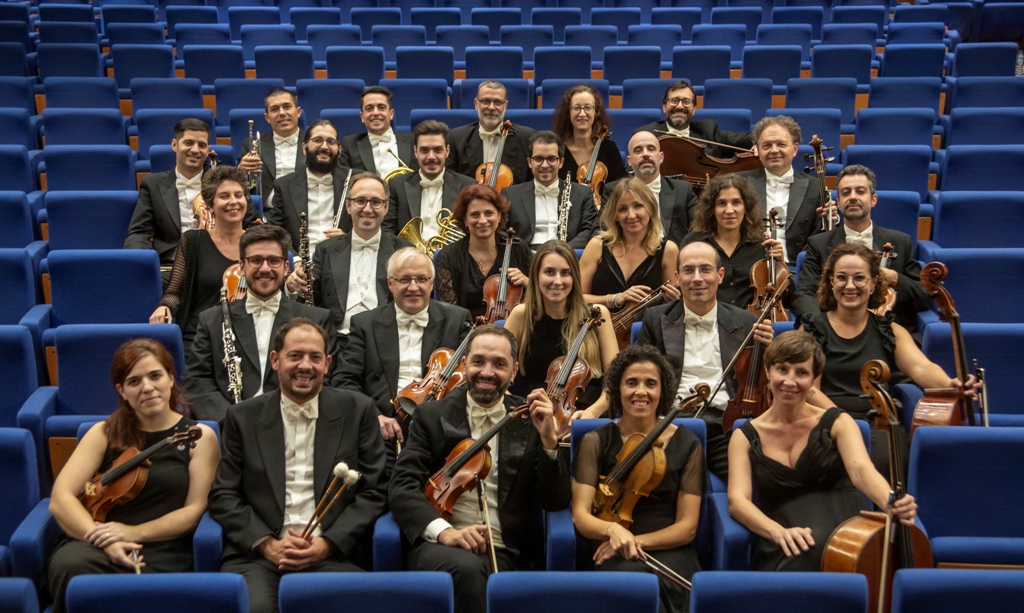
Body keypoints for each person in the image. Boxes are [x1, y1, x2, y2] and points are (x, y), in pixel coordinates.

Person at [208, 318, 388, 613]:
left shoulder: (358, 410)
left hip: (333, 554)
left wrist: (327, 543)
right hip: (258, 557)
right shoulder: (242, 416)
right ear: (275, 360)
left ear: (328, 363)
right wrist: (267, 544)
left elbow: (374, 492)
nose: (306, 366)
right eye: (295, 356)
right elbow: (223, 495)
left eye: (315, 357)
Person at [388, 324, 570, 613]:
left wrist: (549, 440)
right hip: (440, 546)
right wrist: (446, 532)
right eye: (478, 361)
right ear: (464, 364)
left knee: (478, 570)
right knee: (470, 571)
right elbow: (402, 487)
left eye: (499, 364)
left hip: (502, 550)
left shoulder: (531, 419)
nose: (487, 372)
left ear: (513, 371)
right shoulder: (431, 416)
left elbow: (555, 500)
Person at [46, 339, 220, 613]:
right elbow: (61, 498)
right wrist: (103, 538)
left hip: (162, 545)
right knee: (72, 565)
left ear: (171, 378)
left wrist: (131, 532)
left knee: (147, 589)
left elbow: (195, 510)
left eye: (155, 376)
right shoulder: (104, 433)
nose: (147, 387)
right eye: (134, 381)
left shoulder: (200, 437)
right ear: (122, 391)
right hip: (96, 541)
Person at [727, 331, 918, 572]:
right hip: (786, 533)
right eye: (782, 370)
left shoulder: (838, 422)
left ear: (815, 379)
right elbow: (737, 501)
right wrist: (777, 532)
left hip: (844, 525)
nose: (790, 381)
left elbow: (861, 470)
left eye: (802, 373)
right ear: (767, 371)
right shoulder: (744, 436)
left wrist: (890, 500)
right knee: (797, 554)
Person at [801, 243, 979, 475]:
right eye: (841, 277)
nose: (850, 285)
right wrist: (842, 421)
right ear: (831, 282)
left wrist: (951, 384)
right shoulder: (813, 328)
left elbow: (921, 367)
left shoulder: (889, 330)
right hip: (824, 417)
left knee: (888, 463)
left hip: (878, 419)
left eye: (860, 278)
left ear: (874, 283)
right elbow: (809, 390)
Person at [571, 344, 703, 613]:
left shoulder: (687, 443)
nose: (641, 391)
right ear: (618, 390)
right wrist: (612, 530)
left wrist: (635, 541)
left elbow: (687, 527)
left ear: (662, 391)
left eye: (650, 384)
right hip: (611, 547)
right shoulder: (595, 441)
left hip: (669, 549)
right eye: (631, 383)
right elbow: (581, 516)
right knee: (633, 595)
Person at [630, 242, 776, 484]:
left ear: (720, 275)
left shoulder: (748, 321)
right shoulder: (655, 318)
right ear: (677, 277)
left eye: (705, 269)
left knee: (758, 482)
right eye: (688, 270)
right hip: (673, 426)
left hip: (726, 428)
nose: (697, 278)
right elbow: (639, 374)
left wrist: (771, 352)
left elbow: (766, 383)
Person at [183, 224, 335, 423]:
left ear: (286, 267)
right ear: (241, 266)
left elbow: (327, 381)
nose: (265, 268)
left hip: (297, 424)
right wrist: (232, 421)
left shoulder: (316, 320)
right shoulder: (212, 320)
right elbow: (196, 381)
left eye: (273, 261)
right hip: (232, 430)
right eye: (255, 260)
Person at [332, 247, 473, 447]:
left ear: (432, 283)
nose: (413, 287)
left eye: (422, 279)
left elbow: (469, 380)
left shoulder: (457, 319)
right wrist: (375, 417)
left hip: (440, 427)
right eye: (404, 280)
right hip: (383, 428)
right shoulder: (364, 323)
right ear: (390, 283)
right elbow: (344, 380)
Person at [792, 164, 928, 333]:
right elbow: (805, 294)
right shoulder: (818, 244)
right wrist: (822, 326)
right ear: (839, 203)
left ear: (873, 200)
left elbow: (924, 296)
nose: (853, 197)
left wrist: (895, 278)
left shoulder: (900, 241)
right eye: (846, 192)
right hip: (834, 333)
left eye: (860, 191)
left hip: (888, 333)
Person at [124, 119, 259, 287]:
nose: (195, 150)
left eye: (202, 145)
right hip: (171, 268)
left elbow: (254, 226)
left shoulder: (225, 182)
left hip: (219, 265)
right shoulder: (152, 184)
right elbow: (139, 233)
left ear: (208, 149)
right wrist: (142, 264)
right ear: (174, 145)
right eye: (188, 143)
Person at [286, 172, 411, 350]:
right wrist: (293, 285)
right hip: (337, 343)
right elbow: (308, 299)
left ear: (386, 207)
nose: (367, 209)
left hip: (388, 343)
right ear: (348, 205)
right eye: (360, 201)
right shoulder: (326, 250)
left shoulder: (404, 251)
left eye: (376, 202)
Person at [504, 240, 619, 422]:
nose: (558, 281)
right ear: (536, 276)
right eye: (549, 272)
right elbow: (498, 374)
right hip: (535, 416)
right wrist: (521, 410)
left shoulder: (597, 315)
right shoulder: (521, 315)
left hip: (586, 417)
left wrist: (593, 412)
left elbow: (616, 381)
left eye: (565, 273)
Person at [150, 166, 249, 348]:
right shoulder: (193, 241)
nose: (233, 202)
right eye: (224, 196)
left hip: (246, 336)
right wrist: (164, 306)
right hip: (199, 336)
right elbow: (175, 291)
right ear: (210, 205)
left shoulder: (257, 243)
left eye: (238, 195)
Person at [580, 178, 680, 348]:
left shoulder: (668, 250)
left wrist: (674, 300)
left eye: (638, 206)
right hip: (594, 336)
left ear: (650, 208)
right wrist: (616, 299)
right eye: (622, 209)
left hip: (646, 340)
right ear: (615, 215)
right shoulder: (596, 246)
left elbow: (670, 309)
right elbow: (577, 298)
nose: (631, 215)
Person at [681, 173, 785, 310]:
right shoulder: (694, 243)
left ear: (746, 207)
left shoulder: (762, 244)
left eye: (736, 202)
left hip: (752, 321)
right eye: (721, 203)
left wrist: (781, 264)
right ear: (712, 209)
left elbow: (784, 296)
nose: (729, 210)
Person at [737, 116, 829, 269]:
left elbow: (821, 239)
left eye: (781, 144)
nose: (774, 150)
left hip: (797, 270)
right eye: (766, 146)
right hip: (749, 269)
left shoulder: (814, 187)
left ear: (794, 149)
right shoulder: (740, 183)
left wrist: (830, 220)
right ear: (758, 151)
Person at [435, 184, 533, 320]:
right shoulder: (448, 257)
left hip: (515, 332)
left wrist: (528, 283)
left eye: (489, 213)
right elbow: (450, 313)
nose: (482, 220)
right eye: (474, 215)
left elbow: (542, 298)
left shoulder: (518, 248)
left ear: (499, 216)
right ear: (465, 220)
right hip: (467, 333)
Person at [267, 119, 354, 254]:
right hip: (299, 263)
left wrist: (350, 239)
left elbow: (375, 226)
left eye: (331, 142)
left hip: (344, 259)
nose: (324, 147)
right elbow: (276, 232)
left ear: (339, 150)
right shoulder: (284, 186)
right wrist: (294, 260)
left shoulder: (356, 181)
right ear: (304, 147)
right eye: (318, 140)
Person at [502, 131, 600, 249]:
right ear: (529, 162)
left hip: (568, 254)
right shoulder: (510, 194)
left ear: (561, 162)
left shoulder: (582, 193)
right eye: (538, 159)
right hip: (526, 256)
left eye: (551, 159)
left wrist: (563, 252)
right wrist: (525, 253)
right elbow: (501, 232)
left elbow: (588, 231)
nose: (544, 165)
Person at [384, 120, 476, 238]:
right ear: (416, 152)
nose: (431, 157)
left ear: (447, 151)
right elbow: (387, 231)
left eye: (437, 150)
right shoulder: (396, 186)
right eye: (424, 150)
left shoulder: (467, 186)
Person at [602, 131, 696, 244]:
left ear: (661, 157)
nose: (645, 154)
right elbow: (602, 230)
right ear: (629, 161)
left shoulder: (683, 190)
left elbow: (700, 228)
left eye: (651, 149)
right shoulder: (612, 190)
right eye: (638, 150)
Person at [446, 80, 536, 185]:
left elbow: (531, 183)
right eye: (486, 101)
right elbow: (450, 181)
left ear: (505, 106)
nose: (492, 107)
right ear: (476, 104)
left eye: (498, 102)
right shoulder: (456, 138)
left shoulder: (526, 137)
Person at [635, 81, 754, 158]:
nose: (680, 106)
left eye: (686, 102)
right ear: (664, 106)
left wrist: (761, 142)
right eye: (674, 101)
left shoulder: (708, 131)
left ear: (694, 108)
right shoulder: (646, 134)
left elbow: (746, 141)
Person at [551, 84, 627, 192]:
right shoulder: (558, 151)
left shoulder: (608, 148)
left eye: (588, 107)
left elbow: (620, 189)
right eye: (576, 108)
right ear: (568, 113)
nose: (582, 114)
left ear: (596, 112)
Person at [238, 88, 305, 204]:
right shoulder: (253, 144)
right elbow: (238, 184)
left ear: (298, 112)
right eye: (275, 109)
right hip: (265, 214)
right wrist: (241, 170)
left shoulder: (315, 143)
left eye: (287, 107)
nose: (282, 113)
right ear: (267, 117)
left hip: (303, 213)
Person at [339, 85, 419, 178]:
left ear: (391, 114)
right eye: (369, 108)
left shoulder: (413, 141)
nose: (376, 113)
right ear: (362, 116)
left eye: (381, 107)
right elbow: (343, 177)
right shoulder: (349, 144)